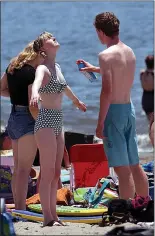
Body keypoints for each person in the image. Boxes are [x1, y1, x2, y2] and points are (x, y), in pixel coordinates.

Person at [77, 12, 149, 202]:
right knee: (134, 164)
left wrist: (100, 122)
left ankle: (126, 210)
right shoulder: (129, 51)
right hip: (129, 109)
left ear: (101, 32)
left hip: (114, 112)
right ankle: (145, 206)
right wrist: (94, 69)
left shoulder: (105, 55)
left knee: (121, 169)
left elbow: (107, 91)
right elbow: (119, 71)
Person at [30, 31, 86, 227]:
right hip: (45, 120)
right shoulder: (43, 69)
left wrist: (76, 101)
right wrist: (35, 94)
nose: (54, 38)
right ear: (43, 48)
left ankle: (54, 215)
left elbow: (64, 87)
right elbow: (36, 82)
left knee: (56, 173)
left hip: (58, 121)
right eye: (50, 38)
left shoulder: (58, 67)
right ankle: (47, 217)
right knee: (46, 172)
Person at [0, 41, 45, 210]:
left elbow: (0, 89)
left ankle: (20, 207)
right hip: (27, 117)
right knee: (24, 170)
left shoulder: (13, 67)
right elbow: (32, 104)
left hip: (13, 117)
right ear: (38, 54)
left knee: (18, 169)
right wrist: (41, 123)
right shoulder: (31, 73)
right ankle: (21, 208)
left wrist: (14, 95)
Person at [140, 55, 154, 122]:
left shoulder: (142, 74)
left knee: (150, 122)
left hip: (145, 99)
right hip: (152, 98)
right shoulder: (153, 74)